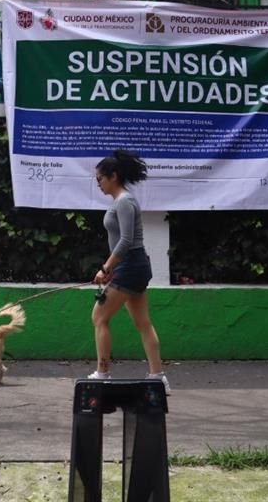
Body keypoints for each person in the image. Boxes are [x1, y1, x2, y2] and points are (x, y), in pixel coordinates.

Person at [88, 149, 171, 395]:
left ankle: (102, 373)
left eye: (100, 179)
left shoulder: (124, 201)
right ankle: (158, 377)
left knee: (99, 317)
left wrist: (106, 268)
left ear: (113, 176)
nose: (98, 184)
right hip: (133, 266)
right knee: (142, 323)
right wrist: (114, 268)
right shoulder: (123, 201)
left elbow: (125, 241)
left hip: (130, 265)